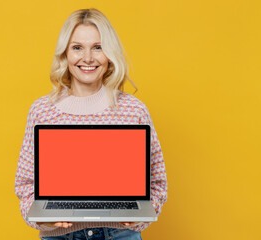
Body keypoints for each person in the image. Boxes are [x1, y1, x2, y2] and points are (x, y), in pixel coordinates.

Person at [14, 8, 168, 240]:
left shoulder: (133, 110)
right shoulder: (42, 110)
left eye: (98, 47)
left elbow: (156, 181)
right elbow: (26, 185)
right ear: (65, 54)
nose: (88, 58)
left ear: (109, 53)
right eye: (77, 48)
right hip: (61, 236)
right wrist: (42, 218)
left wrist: (144, 213)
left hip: (120, 234)